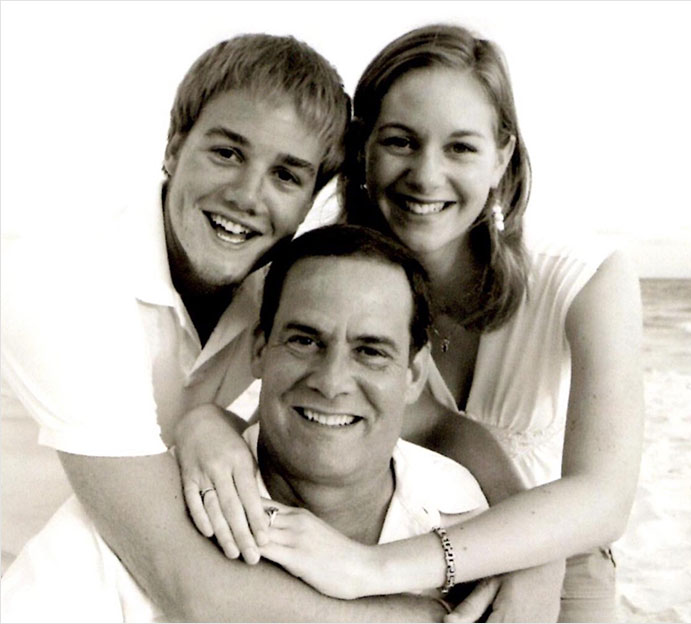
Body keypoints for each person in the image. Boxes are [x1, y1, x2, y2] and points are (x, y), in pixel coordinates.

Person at [175, 23, 644, 623]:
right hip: (374, 535)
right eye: (400, 141)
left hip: (546, 549)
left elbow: (604, 498)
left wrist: (380, 570)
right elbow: (298, 397)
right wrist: (205, 423)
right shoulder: (325, 276)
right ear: (362, 150)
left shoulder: (583, 279)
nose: (426, 175)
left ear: (502, 156)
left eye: (460, 148)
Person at [0, 33, 456, 622]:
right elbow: (187, 586)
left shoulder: (275, 294)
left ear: (310, 201)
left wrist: (535, 563)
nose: (246, 196)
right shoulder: (64, 280)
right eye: (227, 153)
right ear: (173, 147)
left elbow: (438, 426)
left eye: (286, 175)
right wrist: (427, 617)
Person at [2, 225, 496, 622]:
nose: (332, 383)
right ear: (260, 350)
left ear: (413, 375)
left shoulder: (460, 508)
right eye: (305, 341)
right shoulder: (139, 523)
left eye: (370, 351)